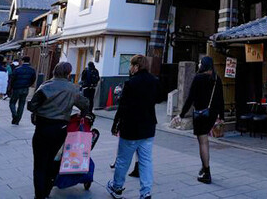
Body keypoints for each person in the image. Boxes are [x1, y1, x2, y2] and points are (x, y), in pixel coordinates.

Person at [27, 61, 91, 199]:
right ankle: (47, 190)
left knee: (39, 164)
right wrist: (84, 114)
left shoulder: (45, 86)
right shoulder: (73, 88)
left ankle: (39, 195)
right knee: (54, 161)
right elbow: (84, 104)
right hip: (60, 129)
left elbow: (32, 106)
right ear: (68, 73)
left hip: (42, 128)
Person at [106, 55, 162, 199]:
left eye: (131, 65)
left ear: (136, 67)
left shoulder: (131, 83)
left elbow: (123, 106)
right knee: (146, 161)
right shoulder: (154, 81)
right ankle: (146, 191)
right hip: (148, 127)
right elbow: (158, 98)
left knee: (123, 160)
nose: (130, 68)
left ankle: (117, 187)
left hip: (131, 128)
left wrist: (115, 124)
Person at [174, 56, 224, 184]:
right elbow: (221, 99)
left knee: (203, 142)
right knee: (205, 141)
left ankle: (206, 172)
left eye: (201, 63)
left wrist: (181, 114)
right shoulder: (216, 79)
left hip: (200, 114)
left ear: (204, 65)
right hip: (211, 114)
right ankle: (204, 167)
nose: (199, 64)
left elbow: (190, 98)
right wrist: (221, 117)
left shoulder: (198, 78)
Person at [9, 56, 37, 125]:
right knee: (21, 104)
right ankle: (17, 120)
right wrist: (28, 84)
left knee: (12, 103)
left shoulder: (17, 69)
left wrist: (11, 87)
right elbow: (33, 79)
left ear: (22, 61)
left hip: (17, 88)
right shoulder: (32, 70)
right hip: (25, 88)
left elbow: (12, 79)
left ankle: (15, 115)